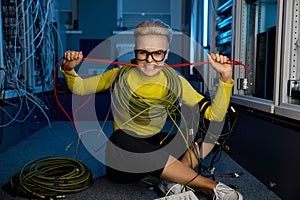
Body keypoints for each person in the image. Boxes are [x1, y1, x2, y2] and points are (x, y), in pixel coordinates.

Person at [61, 19, 243, 200]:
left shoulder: (175, 82)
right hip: (125, 159)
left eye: (157, 53)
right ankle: (208, 187)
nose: (150, 60)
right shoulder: (119, 75)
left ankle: (176, 181)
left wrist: (225, 77)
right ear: (135, 51)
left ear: (166, 54)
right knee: (120, 139)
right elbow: (80, 87)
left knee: (217, 128)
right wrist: (69, 69)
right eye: (143, 53)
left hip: (158, 146)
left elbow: (214, 115)